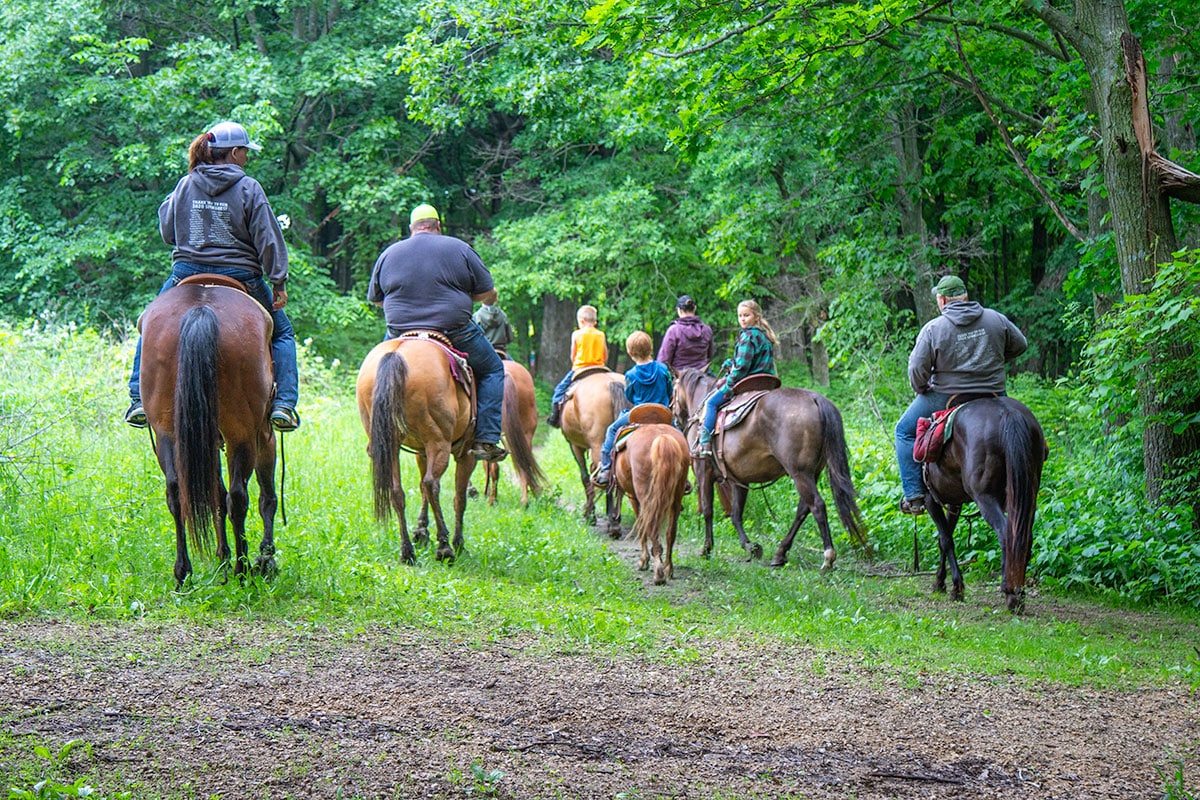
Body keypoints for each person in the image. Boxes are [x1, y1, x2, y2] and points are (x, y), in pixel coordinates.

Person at [125, 121, 300, 432]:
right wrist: (278, 282)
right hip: (240, 276)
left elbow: (167, 232)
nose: (247, 158)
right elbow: (268, 240)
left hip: (186, 273)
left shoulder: (185, 183)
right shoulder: (249, 188)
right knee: (283, 333)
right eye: (245, 152)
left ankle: (138, 398)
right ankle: (285, 404)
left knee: (148, 324)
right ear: (233, 153)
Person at [366, 203, 508, 462]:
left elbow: (376, 299)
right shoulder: (460, 249)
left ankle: (374, 437)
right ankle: (486, 438)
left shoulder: (389, 253)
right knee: (493, 369)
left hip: (399, 332)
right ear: (437, 226)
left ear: (412, 229)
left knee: (373, 372)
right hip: (453, 330)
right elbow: (487, 293)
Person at [895, 275, 1028, 514]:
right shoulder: (995, 318)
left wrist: (921, 386)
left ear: (942, 300)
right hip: (994, 393)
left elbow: (916, 369)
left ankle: (914, 495)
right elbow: (1020, 344)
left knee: (903, 431)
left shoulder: (933, 328)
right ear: (965, 295)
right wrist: (995, 362)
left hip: (946, 395)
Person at [693, 299, 778, 457]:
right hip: (765, 381)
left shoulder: (747, 336)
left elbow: (742, 368)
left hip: (748, 382)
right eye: (740, 316)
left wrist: (727, 384)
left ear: (756, 317)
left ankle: (704, 442)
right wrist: (732, 362)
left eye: (746, 315)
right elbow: (751, 360)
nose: (743, 319)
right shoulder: (765, 336)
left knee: (711, 402)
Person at [592, 331, 674, 488]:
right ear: (651, 349)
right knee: (679, 434)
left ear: (630, 353)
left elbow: (629, 396)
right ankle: (688, 463)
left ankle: (606, 468)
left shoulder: (631, 375)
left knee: (611, 429)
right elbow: (669, 391)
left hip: (639, 414)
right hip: (662, 413)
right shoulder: (663, 369)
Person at [547, 305, 607, 428]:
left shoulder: (576, 334)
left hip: (580, 368)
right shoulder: (601, 334)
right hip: (600, 367)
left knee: (559, 391)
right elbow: (605, 355)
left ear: (581, 321)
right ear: (595, 322)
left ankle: (554, 417)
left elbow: (572, 356)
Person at [657, 294, 715, 373]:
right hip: (702, 375)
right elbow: (711, 354)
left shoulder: (673, 331)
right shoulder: (707, 330)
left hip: (680, 378)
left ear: (679, 310)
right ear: (694, 308)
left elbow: (663, 360)